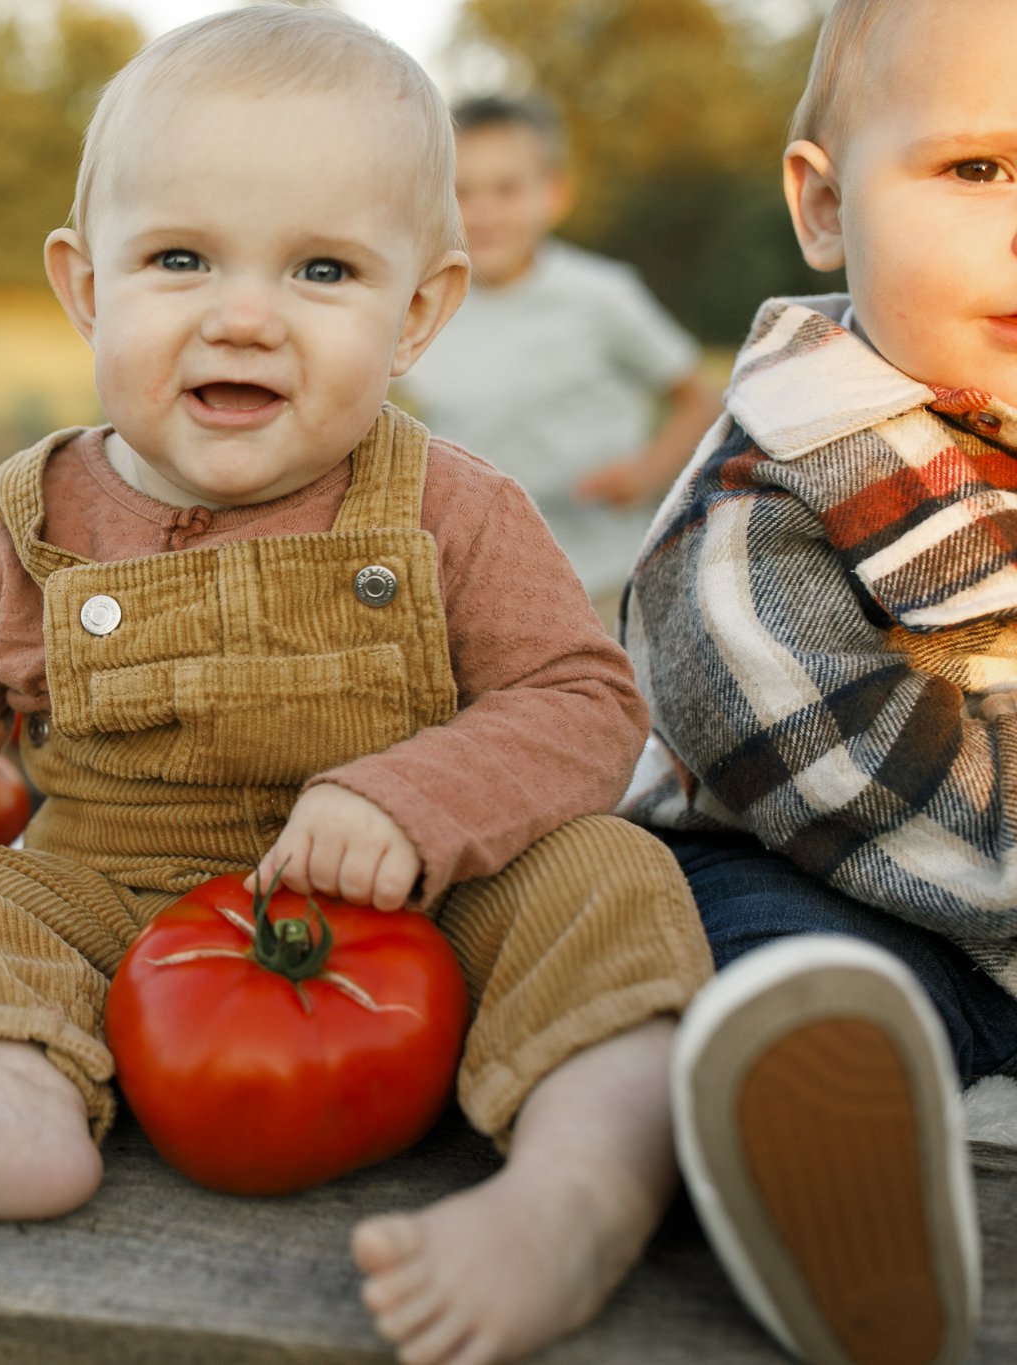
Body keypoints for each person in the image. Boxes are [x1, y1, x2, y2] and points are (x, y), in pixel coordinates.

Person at [0, 8, 711, 1363]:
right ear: (86, 285)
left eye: (323, 268)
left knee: (609, 881)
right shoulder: (27, 517)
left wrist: (415, 800)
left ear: (419, 312)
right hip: (114, 903)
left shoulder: (451, 505)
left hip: (421, 905)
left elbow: (584, 702)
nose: (245, 315)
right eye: (181, 258)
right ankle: (7, 1096)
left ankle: (581, 1184)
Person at [622, 0, 1015, 1360]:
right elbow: (830, 756)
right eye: (981, 169)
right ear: (828, 204)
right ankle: (841, 1176)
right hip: (816, 862)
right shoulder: (779, 479)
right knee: (778, 975)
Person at [396, 94, 721, 629]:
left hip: (602, 579)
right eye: (462, 193)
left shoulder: (601, 295)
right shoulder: (423, 303)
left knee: (601, 710)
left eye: (506, 189)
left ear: (554, 194)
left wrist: (644, 474)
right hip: (472, 584)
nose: (483, 212)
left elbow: (697, 399)